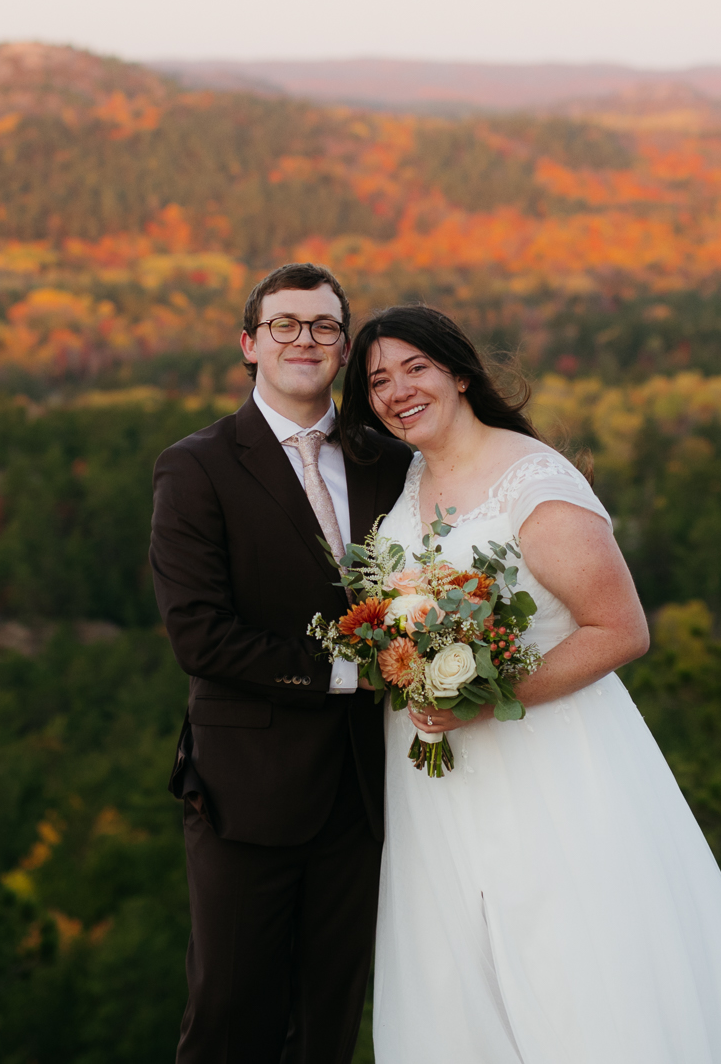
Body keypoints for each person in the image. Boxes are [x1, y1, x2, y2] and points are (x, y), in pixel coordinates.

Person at [339, 304, 721, 1064]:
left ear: (460, 373)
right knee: (459, 977)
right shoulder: (413, 478)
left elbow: (622, 628)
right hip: (435, 782)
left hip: (547, 768)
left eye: (414, 368)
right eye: (378, 380)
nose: (396, 390)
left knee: (570, 964)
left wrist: (484, 697)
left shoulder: (532, 477)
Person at [150, 264, 415, 1064]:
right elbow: (199, 634)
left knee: (328, 1024)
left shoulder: (388, 462)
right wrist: (349, 672)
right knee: (230, 1018)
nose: (306, 339)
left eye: (325, 326)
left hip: (366, 792)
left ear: (342, 350)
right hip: (245, 792)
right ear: (250, 345)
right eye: (286, 324)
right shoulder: (196, 466)